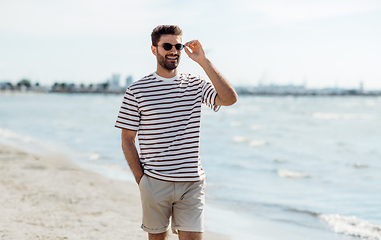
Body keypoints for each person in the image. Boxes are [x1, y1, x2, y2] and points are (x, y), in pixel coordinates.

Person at [115, 25, 237, 240]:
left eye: (178, 45)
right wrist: (141, 180)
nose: (174, 50)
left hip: (191, 182)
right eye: (167, 46)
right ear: (154, 50)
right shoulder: (137, 90)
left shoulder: (195, 84)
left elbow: (229, 99)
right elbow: (127, 139)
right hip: (154, 182)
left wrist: (203, 61)